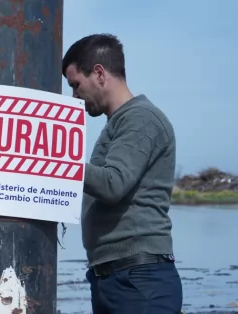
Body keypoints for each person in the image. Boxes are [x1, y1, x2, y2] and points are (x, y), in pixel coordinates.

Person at [62, 33, 182, 314]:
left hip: (139, 280)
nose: (74, 96)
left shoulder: (141, 118)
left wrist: (58, 162)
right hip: (117, 278)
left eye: (76, 85)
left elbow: (113, 183)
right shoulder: (118, 123)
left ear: (99, 73)